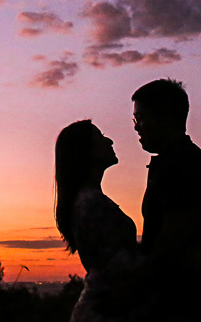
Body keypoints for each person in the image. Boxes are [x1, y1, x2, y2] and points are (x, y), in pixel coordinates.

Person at [133, 78, 201, 320]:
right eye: (135, 120)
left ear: (165, 116)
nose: (137, 127)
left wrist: (131, 285)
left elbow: (173, 238)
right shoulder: (177, 160)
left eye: (141, 118)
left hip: (190, 304)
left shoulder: (181, 164)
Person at [55, 120, 143, 322]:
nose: (110, 141)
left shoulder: (87, 200)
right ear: (86, 151)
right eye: (101, 137)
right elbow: (123, 267)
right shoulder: (91, 203)